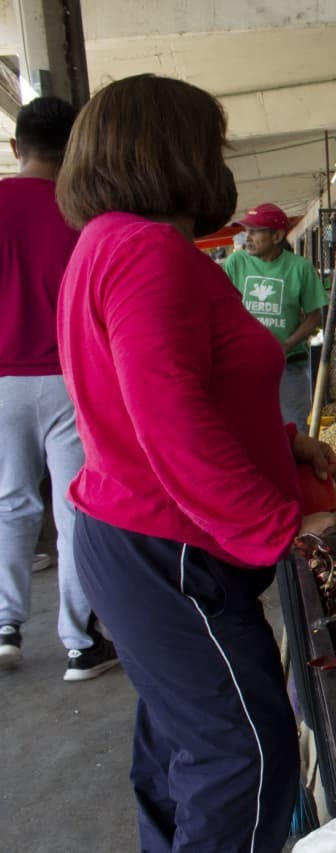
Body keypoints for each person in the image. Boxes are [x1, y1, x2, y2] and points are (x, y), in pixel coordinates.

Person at [55, 74, 336, 853]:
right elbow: (167, 415)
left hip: (137, 536)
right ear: (171, 151)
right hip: (169, 549)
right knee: (244, 754)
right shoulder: (148, 251)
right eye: (211, 146)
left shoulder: (111, 243)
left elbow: (158, 395)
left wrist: (281, 444)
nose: (220, 164)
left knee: (184, 742)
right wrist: (282, 522)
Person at [0, 96, 118, 681]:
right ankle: (80, 643)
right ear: (74, 147)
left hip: (1, 385)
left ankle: (4, 626)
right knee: (75, 509)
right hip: (73, 379)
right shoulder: (83, 213)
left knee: (10, 505)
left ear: (16, 147)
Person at [223, 202, 328, 429]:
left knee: (293, 431)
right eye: (246, 231)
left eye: (254, 231)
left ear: (277, 235)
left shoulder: (300, 268)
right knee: (247, 429)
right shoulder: (236, 262)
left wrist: (287, 344)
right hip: (243, 366)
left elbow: (314, 316)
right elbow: (220, 306)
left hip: (287, 368)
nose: (247, 237)